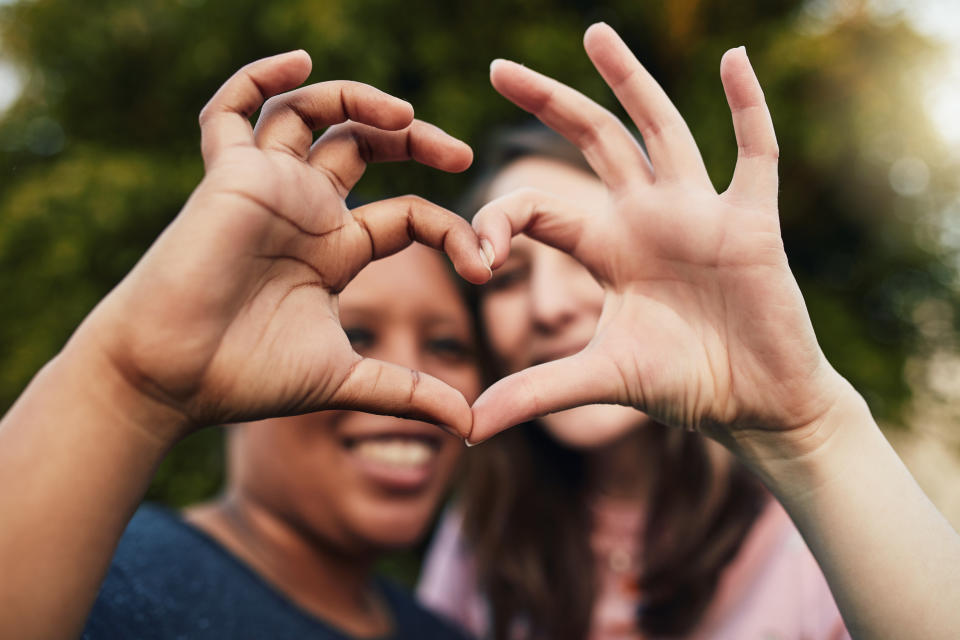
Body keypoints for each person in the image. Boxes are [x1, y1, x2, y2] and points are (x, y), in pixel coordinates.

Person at [423, 22, 960, 640]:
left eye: (582, 255)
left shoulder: (812, 527)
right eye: (509, 277)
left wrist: (810, 434)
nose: (547, 306)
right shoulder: (481, 536)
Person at [0, 50, 493, 639]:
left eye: (449, 346)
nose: (414, 375)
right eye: (356, 334)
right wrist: (130, 386)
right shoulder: (109, 580)